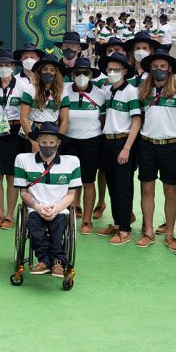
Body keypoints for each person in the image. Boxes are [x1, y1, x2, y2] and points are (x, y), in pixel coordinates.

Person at [136, 50, 176, 250]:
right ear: (150, 69)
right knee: (146, 189)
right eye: (155, 67)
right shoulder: (144, 91)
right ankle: (148, 231)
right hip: (147, 144)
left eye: (163, 67)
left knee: (170, 191)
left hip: (171, 146)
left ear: (170, 69)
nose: (159, 70)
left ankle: (170, 234)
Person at [14, 123, 81, 277]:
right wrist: (38, 207)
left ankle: (58, 261)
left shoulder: (72, 162)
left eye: (52, 143)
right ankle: (44, 261)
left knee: (58, 225)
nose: (48, 146)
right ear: (37, 141)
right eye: (44, 143)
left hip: (60, 208)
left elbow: (71, 195)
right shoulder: (22, 159)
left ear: (58, 143)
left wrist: (57, 208)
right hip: (35, 208)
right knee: (34, 225)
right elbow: (23, 192)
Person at [0, 49, 29, 229]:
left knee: (11, 176)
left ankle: (9, 216)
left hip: (15, 131)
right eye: (0, 65)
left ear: (13, 66)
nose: (3, 68)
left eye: (7, 65)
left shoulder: (24, 87)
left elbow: (27, 112)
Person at [97, 53, 142, 244]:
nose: (112, 72)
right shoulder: (107, 91)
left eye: (117, 69)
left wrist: (127, 148)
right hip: (107, 142)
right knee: (113, 185)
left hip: (123, 142)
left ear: (124, 71)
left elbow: (137, 121)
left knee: (123, 186)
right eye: (110, 70)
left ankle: (125, 228)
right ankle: (117, 223)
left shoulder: (131, 91)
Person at [62, 57, 106, 235]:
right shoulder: (63, 92)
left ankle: (87, 220)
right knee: (69, 182)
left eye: (85, 73)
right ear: (72, 75)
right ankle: (69, 215)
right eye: (77, 73)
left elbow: (102, 120)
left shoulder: (100, 94)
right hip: (68, 141)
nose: (81, 76)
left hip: (91, 142)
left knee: (88, 181)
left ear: (91, 75)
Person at [20, 55, 69, 151]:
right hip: (34, 131)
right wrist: (33, 142)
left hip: (53, 132)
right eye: (45, 69)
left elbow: (64, 120)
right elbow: (23, 117)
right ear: (40, 71)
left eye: (52, 70)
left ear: (56, 73)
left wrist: (57, 141)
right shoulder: (30, 89)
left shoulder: (63, 91)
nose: (48, 72)